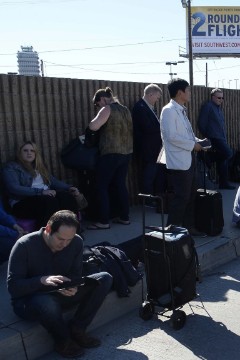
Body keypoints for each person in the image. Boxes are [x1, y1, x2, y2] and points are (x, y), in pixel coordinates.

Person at [7, 210, 113, 358]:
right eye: (60, 239)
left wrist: (73, 286)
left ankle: (78, 328)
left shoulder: (76, 241)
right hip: (29, 301)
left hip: (59, 293)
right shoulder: (24, 245)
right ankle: (63, 341)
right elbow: (13, 288)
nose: (65, 244)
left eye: (68, 240)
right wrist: (41, 280)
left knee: (104, 278)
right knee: (46, 302)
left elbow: (75, 275)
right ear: (48, 229)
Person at [157, 78, 207, 237]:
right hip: (179, 162)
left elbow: (186, 134)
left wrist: (200, 142)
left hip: (189, 159)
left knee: (191, 195)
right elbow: (171, 137)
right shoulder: (169, 110)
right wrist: (193, 145)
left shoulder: (181, 109)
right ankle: (171, 231)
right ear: (180, 92)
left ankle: (188, 228)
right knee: (181, 197)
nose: (190, 93)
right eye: (188, 90)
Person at [3, 141, 81, 229]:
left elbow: (53, 181)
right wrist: (41, 192)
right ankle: (45, 235)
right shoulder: (11, 167)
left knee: (67, 197)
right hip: (22, 202)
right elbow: (14, 188)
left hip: (44, 197)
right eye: (25, 150)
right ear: (19, 153)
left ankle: (72, 231)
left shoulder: (39, 167)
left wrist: (69, 187)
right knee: (49, 202)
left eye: (32, 151)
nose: (29, 153)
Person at [88, 87, 134, 229]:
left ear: (102, 99)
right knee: (120, 185)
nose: (98, 107)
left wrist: (94, 121)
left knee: (102, 186)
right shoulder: (125, 109)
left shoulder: (107, 108)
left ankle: (103, 221)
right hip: (126, 152)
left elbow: (94, 126)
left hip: (110, 153)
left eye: (97, 104)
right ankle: (125, 217)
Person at [131, 84, 166, 205]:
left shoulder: (149, 107)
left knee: (156, 175)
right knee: (148, 176)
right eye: (157, 97)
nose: (158, 100)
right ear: (150, 94)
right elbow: (147, 128)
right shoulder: (140, 108)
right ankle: (148, 200)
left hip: (155, 148)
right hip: (147, 149)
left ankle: (156, 198)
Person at [197, 88, 235, 190]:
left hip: (221, 137)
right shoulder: (208, 106)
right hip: (214, 137)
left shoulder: (218, 108)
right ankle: (207, 157)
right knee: (228, 153)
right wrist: (208, 136)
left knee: (223, 160)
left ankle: (223, 183)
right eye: (219, 97)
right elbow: (201, 123)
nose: (221, 100)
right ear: (213, 97)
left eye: (222, 98)